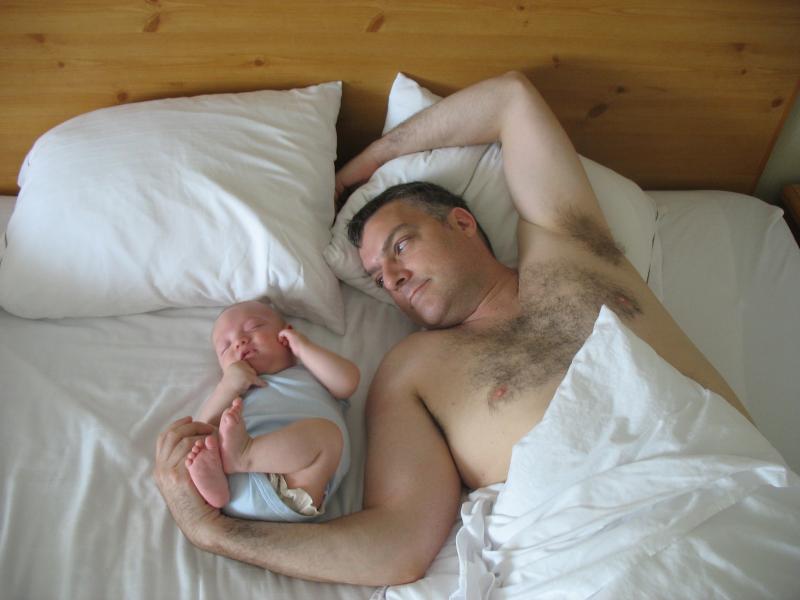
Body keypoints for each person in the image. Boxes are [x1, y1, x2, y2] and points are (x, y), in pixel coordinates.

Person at [154, 71, 751, 584]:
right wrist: (213, 533)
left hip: (736, 506)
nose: (392, 278)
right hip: (597, 568)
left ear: (462, 224)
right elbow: (397, 544)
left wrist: (373, 160)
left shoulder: (570, 250)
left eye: (401, 246)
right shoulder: (413, 370)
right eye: (379, 278)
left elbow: (511, 99)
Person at [185, 299, 359, 520]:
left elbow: (348, 382)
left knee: (327, 436)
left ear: (286, 335)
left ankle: (244, 456)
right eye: (225, 347)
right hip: (236, 484)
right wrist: (227, 386)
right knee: (207, 440)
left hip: (296, 484)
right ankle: (218, 488)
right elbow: (201, 428)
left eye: (254, 327)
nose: (239, 342)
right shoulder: (234, 394)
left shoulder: (312, 372)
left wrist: (304, 348)